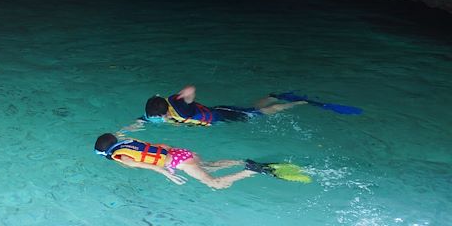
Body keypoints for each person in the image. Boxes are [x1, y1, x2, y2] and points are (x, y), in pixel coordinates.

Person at [94, 132, 257, 189]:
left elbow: (143, 164)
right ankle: (243, 161)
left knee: (215, 184)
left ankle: (251, 171)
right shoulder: (129, 142)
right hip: (180, 153)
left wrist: (166, 173)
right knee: (209, 165)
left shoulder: (122, 156)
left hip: (181, 163)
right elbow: (162, 146)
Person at [139, 85, 307, 127]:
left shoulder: (183, 108)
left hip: (222, 114)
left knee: (259, 113)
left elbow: (191, 89)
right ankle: (271, 96)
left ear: (166, 111)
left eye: (161, 117)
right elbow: (145, 118)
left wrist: (185, 94)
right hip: (216, 113)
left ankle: (297, 103)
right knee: (252, 109)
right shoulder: (164, 104)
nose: (162, 119)